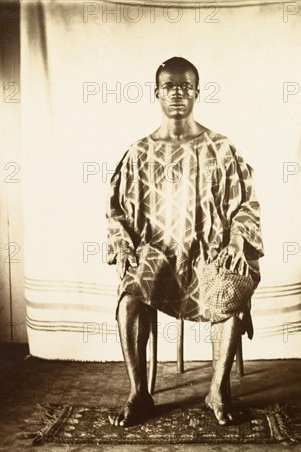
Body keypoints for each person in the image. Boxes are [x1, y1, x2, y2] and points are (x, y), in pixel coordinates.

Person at [106, 56, 264, 427]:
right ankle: (138, 392)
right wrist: (123, 245)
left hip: (208, 252)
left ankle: (218, 389)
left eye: (185, 86)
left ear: (197, 91)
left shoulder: (221, 148)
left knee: (229, 287)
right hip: (156, 253)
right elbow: (116, 213)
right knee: (130, 296)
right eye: (169, 86)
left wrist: (239, 243)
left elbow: (247, 204)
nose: (177, 92)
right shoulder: (138, 154)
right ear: (156, 93)